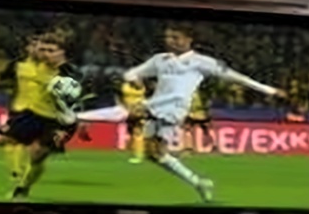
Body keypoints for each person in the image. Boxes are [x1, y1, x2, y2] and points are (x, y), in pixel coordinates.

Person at [74, 26, 282, 201]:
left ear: (189, 39)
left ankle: (76, 117)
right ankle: (199, 182)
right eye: (168, 37)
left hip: (173, 108)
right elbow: (133, 72)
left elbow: (237, 77)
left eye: (175, 37)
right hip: (156, 103)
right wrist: (133, 79)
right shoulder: (160, 60)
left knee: (130, 111)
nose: (170, 41)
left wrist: (270, 90)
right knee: (155, 155)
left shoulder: (202, 62)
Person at [0, 36, 82, 200]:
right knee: (2, 139)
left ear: (62, 53)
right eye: (43, 50)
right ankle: (20, 166)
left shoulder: (70, 73)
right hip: (35, 115)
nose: (45, 54)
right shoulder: (38, 65)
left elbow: (76, 98)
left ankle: (23, 187)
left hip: (60, 121)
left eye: (50, 51)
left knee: (37, 153)